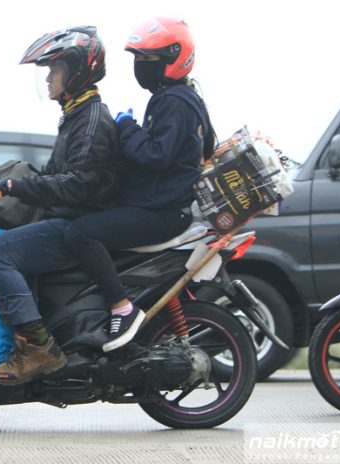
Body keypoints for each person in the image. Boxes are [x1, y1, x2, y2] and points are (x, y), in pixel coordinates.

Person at [0, 26, 120, 385]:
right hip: (67, 217)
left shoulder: (91, 122)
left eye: (55, 70)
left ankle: (38, 347)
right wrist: (0, 181)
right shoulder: (76, 115)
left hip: (75, 224)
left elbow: (76, 186)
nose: (49, 79)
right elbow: (55, 175)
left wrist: (11, 186)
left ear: (77, 72)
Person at [64, 17, 216, 352]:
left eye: (149, 58)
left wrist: (127, 127)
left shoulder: (173, 100)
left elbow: (156, 155)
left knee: (80, 233)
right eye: (138, 58)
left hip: (163, 212)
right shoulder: (183, 97)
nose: (141, 65)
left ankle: (121, 307)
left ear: (175, 57)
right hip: (163, 206)